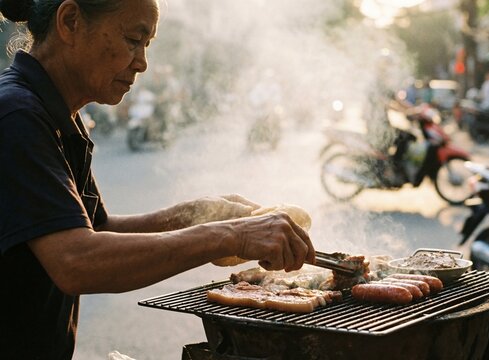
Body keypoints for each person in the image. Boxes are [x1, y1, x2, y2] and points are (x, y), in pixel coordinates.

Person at [0, 1, 315, 359]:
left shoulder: (57, 116)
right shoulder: (17, 115)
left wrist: (195, 215)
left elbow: (97, 229)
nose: (142, 62)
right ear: (70, 21)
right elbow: (76, 260)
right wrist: (233, 236)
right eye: (133, 39)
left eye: (146, 45)